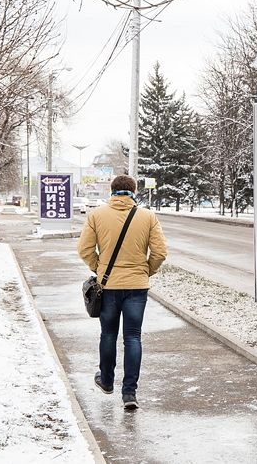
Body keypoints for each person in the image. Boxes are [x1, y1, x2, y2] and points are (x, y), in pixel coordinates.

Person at [77, 174, 167, 410]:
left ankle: (107, 381)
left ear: (112, 190)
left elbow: (84, 249)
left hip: (108, 286)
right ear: (134, 191)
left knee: (108, 334)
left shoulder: (96, 215)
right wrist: (146, 271)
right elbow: (160, 253)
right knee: (133, 337)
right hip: (137, 287)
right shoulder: (148, 216)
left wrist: (99, 268)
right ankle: (129, 393)